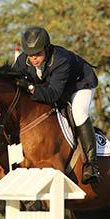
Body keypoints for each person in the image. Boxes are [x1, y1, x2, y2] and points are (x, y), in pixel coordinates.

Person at [13, 26, 100, 184]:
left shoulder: (60, 60)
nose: (33, 58)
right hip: (53, 87)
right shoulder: (21, 61)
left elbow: (53, 94)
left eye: (38, 53)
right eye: (30, 54)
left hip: (80, 84)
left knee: (78, 113)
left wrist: (31, 88)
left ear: (46, 48)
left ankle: (91, 164)